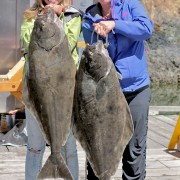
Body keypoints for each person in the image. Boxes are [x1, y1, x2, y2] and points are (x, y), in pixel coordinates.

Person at [82, 0, 154, 179]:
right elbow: (95, 57)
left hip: (136, 89)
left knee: (134, 151)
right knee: (98, 151)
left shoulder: (131, 4)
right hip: (104, 95)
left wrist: (115, 24)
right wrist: (99, 32)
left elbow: (146, 29)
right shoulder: (89, 18)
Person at [20, 0, 82, 179]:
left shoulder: (73, 16)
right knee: (34, 147)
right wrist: (42, 19)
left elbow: (68, 43)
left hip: (65, 93)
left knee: (68, 146)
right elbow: (26, 43)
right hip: (36, 91)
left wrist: (56, 17)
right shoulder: (30, 16)